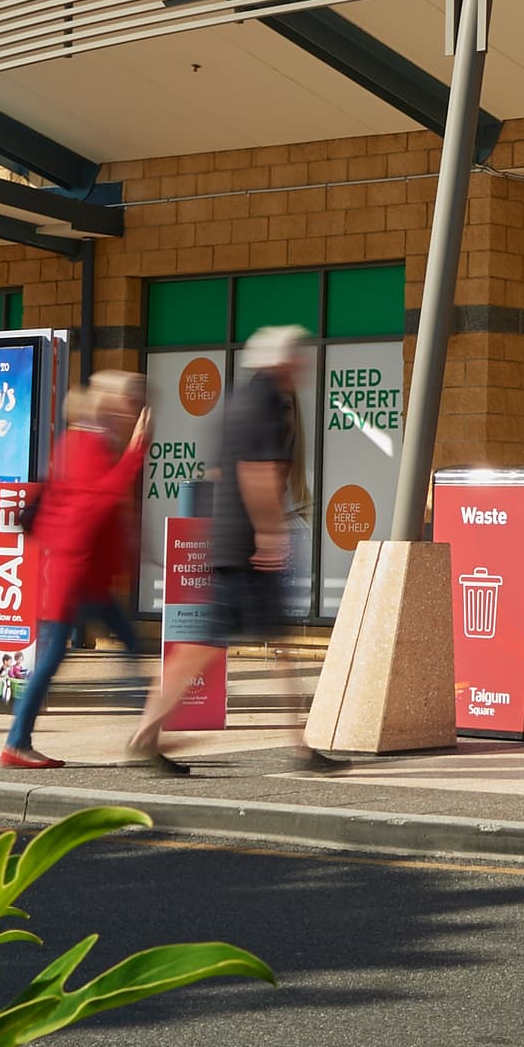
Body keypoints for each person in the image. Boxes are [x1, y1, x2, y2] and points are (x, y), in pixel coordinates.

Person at [129, 326, 342, 775]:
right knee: (226, 644)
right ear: (281, 362)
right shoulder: (264, 403)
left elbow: (216, 471)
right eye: (298, 358)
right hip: (246, 548)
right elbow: (256, 473)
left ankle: (298, 743)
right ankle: (148, 734)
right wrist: (269, 533)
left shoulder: (234, 403)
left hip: (228, 542)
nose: (303, 365)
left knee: (244, 642)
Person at [0, 374, 150, 768]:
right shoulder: (85, 444)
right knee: (50, 661)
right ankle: (17, 742)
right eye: (124, 403)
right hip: (74, 576)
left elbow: (101, 513)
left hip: (87, 577)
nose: (128, 410)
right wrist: (135, 453)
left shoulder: (92, 443)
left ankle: (148, 735)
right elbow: (97, 502)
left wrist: (131, 549)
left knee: (126, 646)